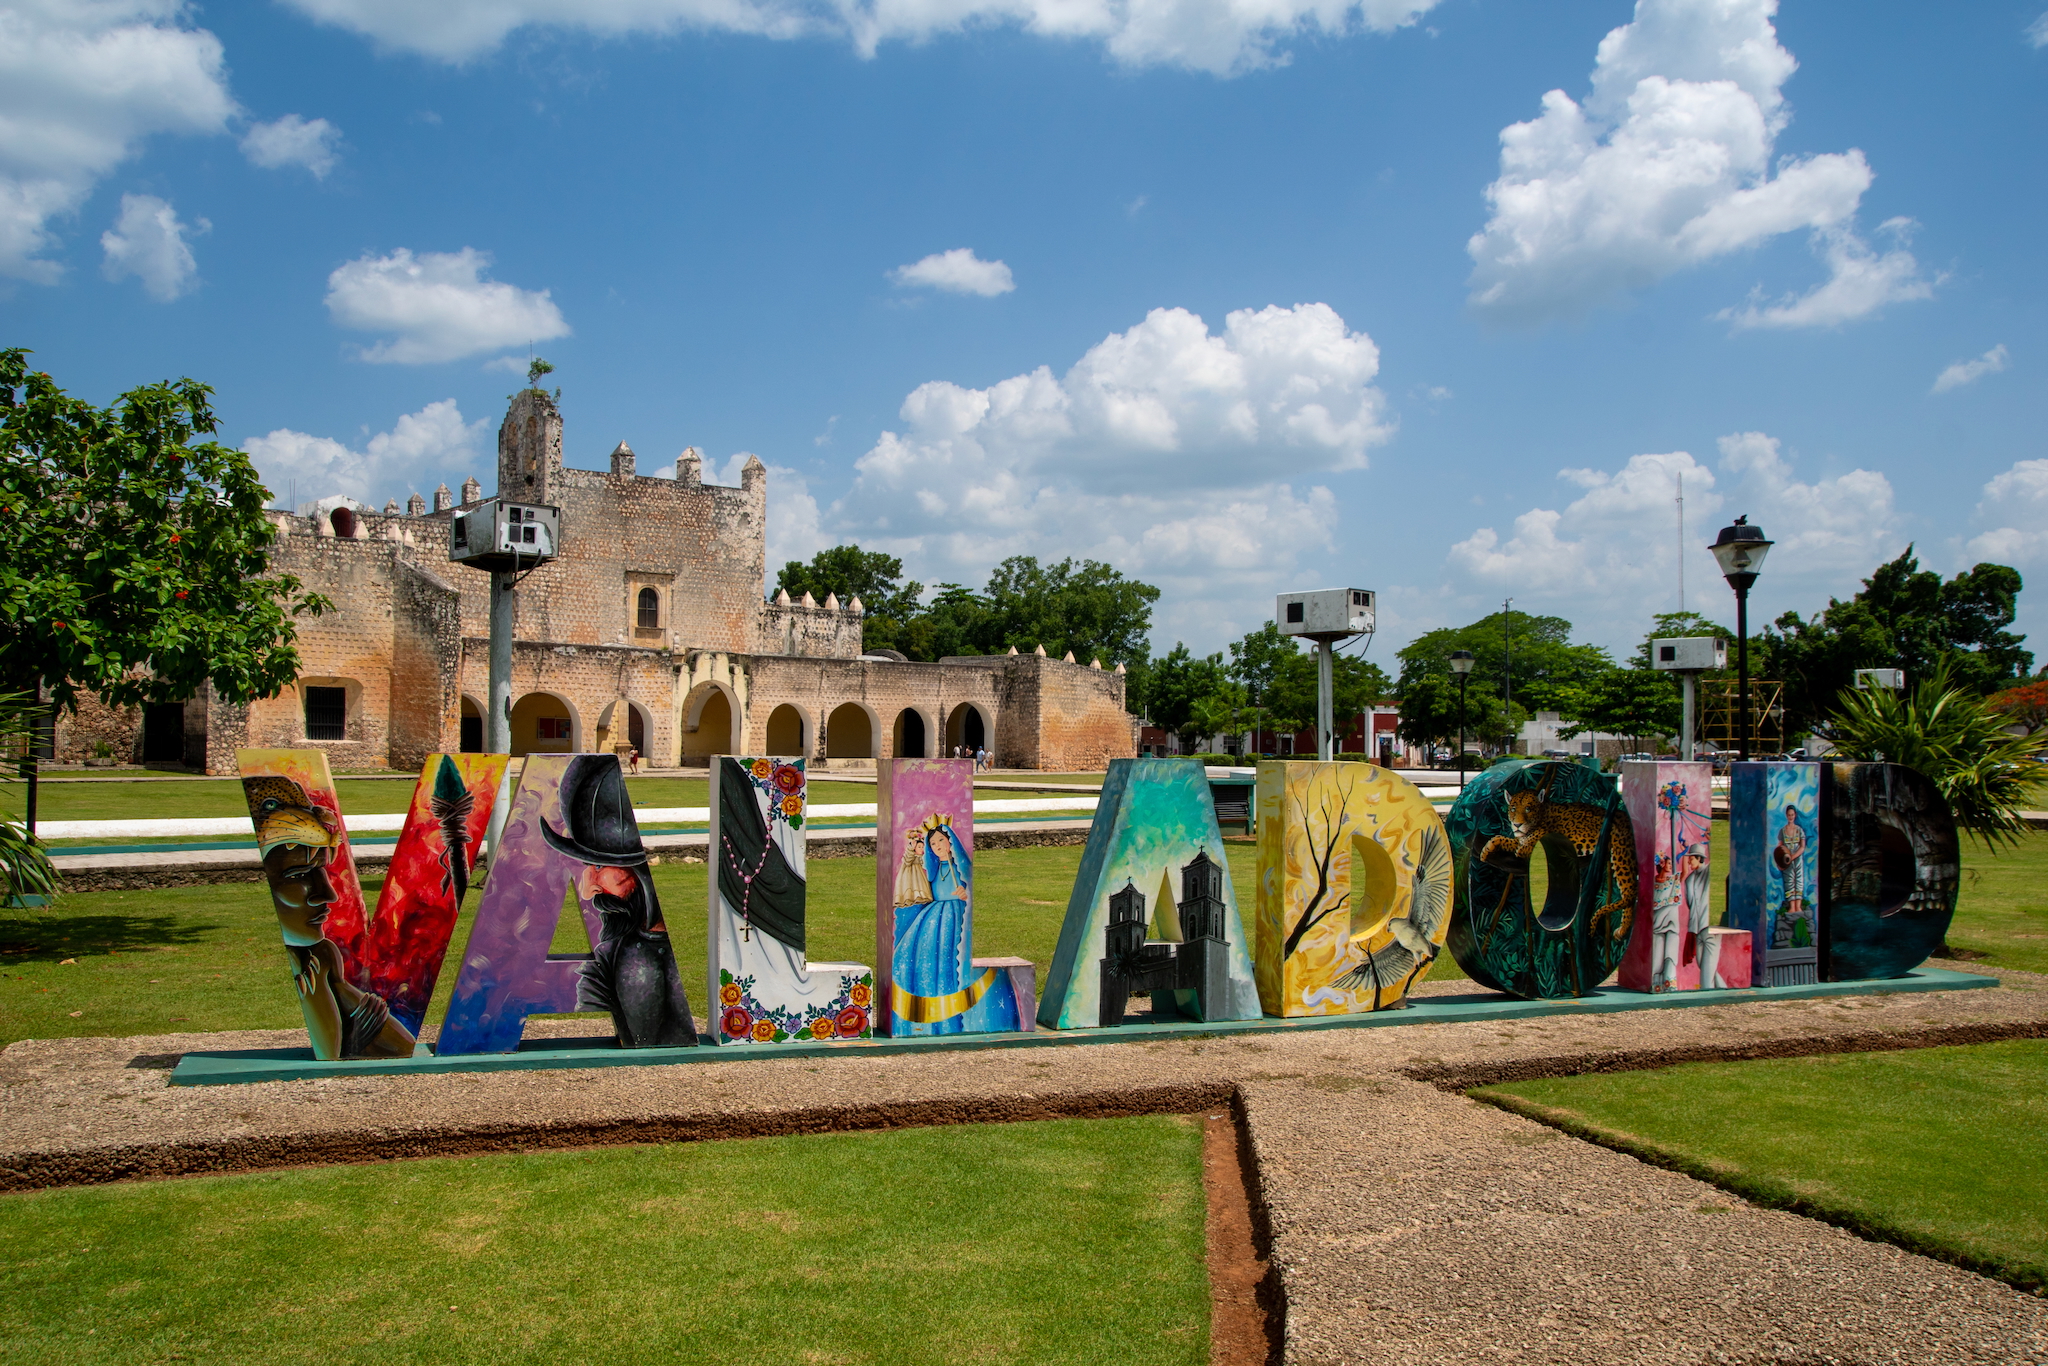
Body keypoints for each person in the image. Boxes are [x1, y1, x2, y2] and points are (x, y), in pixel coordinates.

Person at [244, 774, 415, 1060]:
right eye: (298, 875)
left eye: (321, 871)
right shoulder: (317, 960)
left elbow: (398, 1046)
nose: (329, 896)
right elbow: (340, 1049)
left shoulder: (322, 955)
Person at [544, 754, 694, 1047]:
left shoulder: (616, 958)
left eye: (598, 867)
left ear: (636, 871)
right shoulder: (607, 963)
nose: (588, 890)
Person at [891, 815, 976, 1032]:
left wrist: (963, 893)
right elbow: (910, 861)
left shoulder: (959, 867)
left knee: (942, 958)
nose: (937, 846)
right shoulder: (934, 868)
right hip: (932, 915)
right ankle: (917, 1004)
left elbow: (968, 886)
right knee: (910, 953)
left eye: (941, 840)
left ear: (950, 841)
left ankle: (945, 1012)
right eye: (933, 843)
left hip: (950, 915)